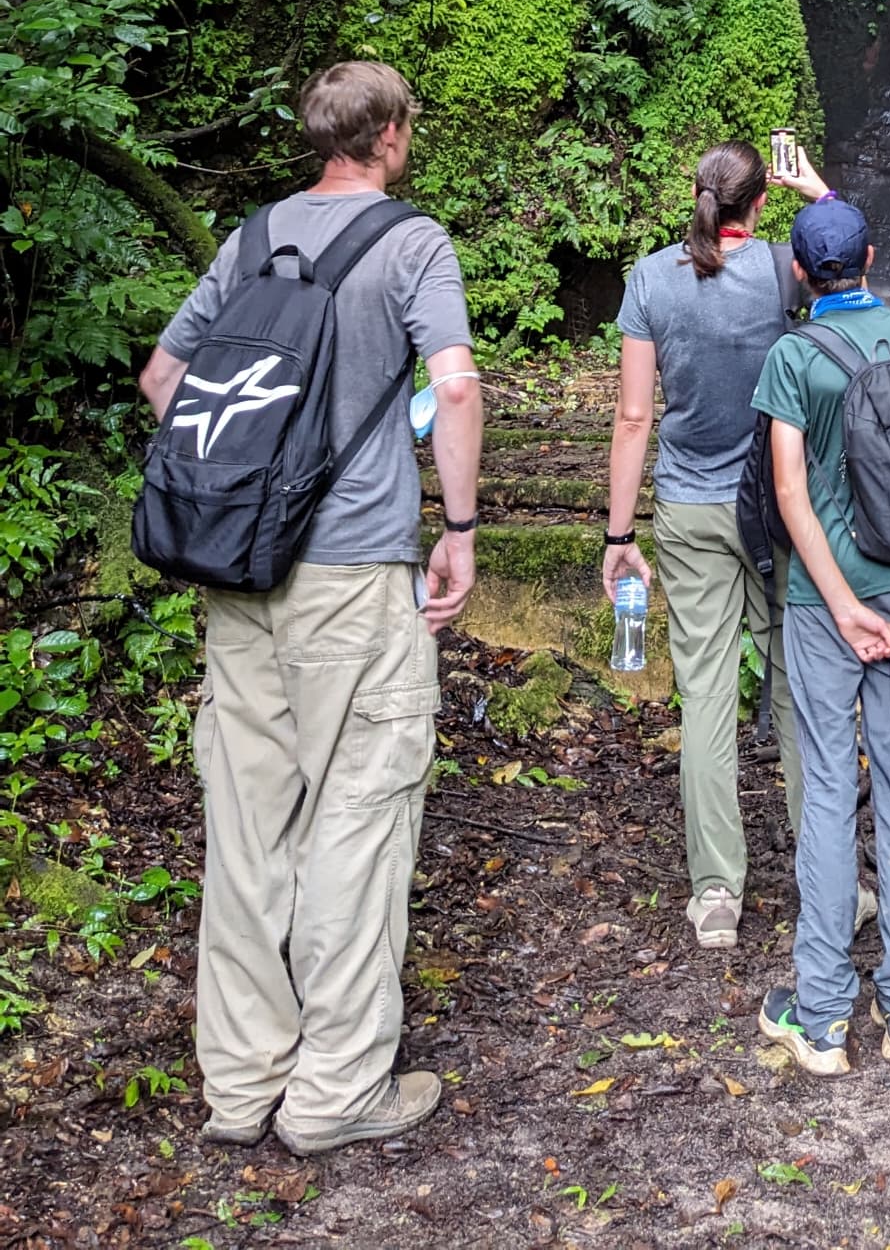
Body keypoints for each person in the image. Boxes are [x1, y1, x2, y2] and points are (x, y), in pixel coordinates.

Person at [137, 61, 481, 1157]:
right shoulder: (412, 242)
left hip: (243, 575)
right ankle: (335, 1090)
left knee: (245, 829)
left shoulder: (250, 242)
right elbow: (458, 385)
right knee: (360, 816)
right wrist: (459, 530)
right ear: (386, 135)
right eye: (410, 125)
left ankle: (240, 1086)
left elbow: (161, 379)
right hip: (354, 580)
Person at [751, 198, 890, 1075]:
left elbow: (791, 495)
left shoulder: (792, 355)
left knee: (826, 798)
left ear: (802, 273)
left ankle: (823, 1016)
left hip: (823, 606)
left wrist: (841, 603)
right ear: (873, 258)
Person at [601, 138, 836, 949]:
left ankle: (715, 894)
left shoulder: (651, 280)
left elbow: (634, 418)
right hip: (780, 508)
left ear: (696, 195)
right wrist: (818, 189)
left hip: (692, 509)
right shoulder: (783, 272)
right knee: (797, 688)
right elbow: (851, 273)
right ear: (761, 201)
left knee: (703, 693)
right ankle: (826, 877)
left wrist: (618, 531)